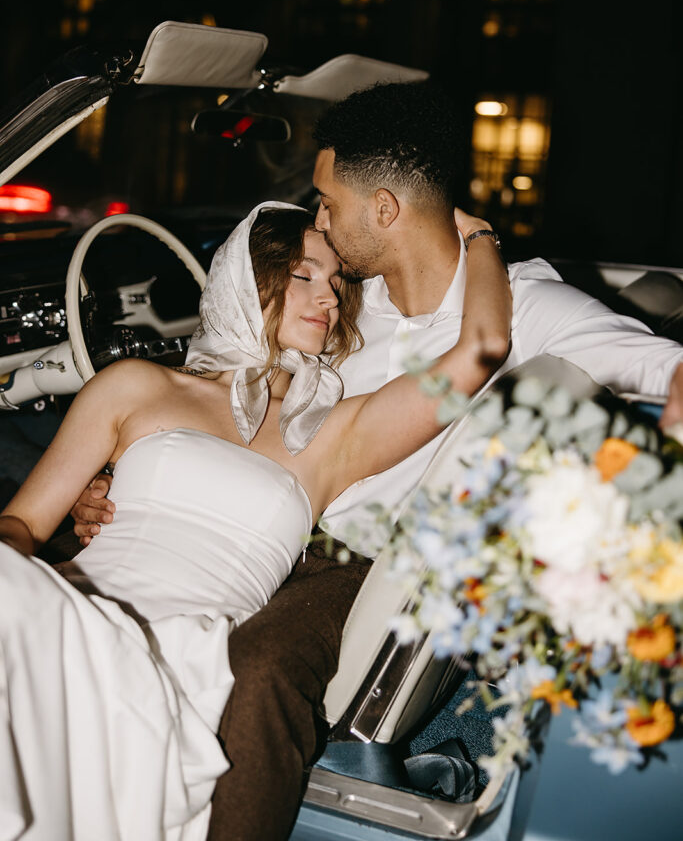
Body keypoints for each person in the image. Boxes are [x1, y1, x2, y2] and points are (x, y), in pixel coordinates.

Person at [72, 82, 683, 841]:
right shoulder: (344, 308)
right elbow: (248, 415)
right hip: (264, 527)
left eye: (328, 203)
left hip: (358, 565)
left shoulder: (527, 306)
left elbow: (665, 369)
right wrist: (120, 475)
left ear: (383, 210)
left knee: (256, 671)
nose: (319, 219)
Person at [0, 199, 511, 841]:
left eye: (336, 283)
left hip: (189, 651)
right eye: (303, 275)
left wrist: (479, 234)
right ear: (246, 279)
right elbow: (20, 526)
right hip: (68, 609)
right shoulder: (133, 384)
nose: (327, 297)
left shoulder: (334, 433)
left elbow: (481, 350)